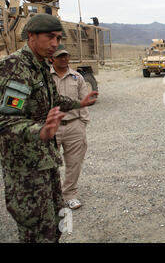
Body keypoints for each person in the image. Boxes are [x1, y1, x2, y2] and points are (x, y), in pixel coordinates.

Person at [0, 13, 98, 242]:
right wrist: (39, 131)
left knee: (54, 225)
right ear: (31, 36)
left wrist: (81, 103)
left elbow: (54, 100)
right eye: (50, 37)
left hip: (45, 161)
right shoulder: (15, 68)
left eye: (58, 38)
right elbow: (3, 119)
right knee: (35, 228)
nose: (55, 44)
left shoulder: (40, 66)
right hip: (26, 169)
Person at [50, 45, 90, 210]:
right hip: (51, 128)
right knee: (49, 164)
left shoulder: (77, 77)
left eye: (66, 56)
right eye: (60, 56)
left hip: (74, 126)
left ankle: (70, 195)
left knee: (74, 163)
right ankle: (52, 197)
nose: (64, 59)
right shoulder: (44, 77)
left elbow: (84, 101)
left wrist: (83, 123)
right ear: (52, 59)